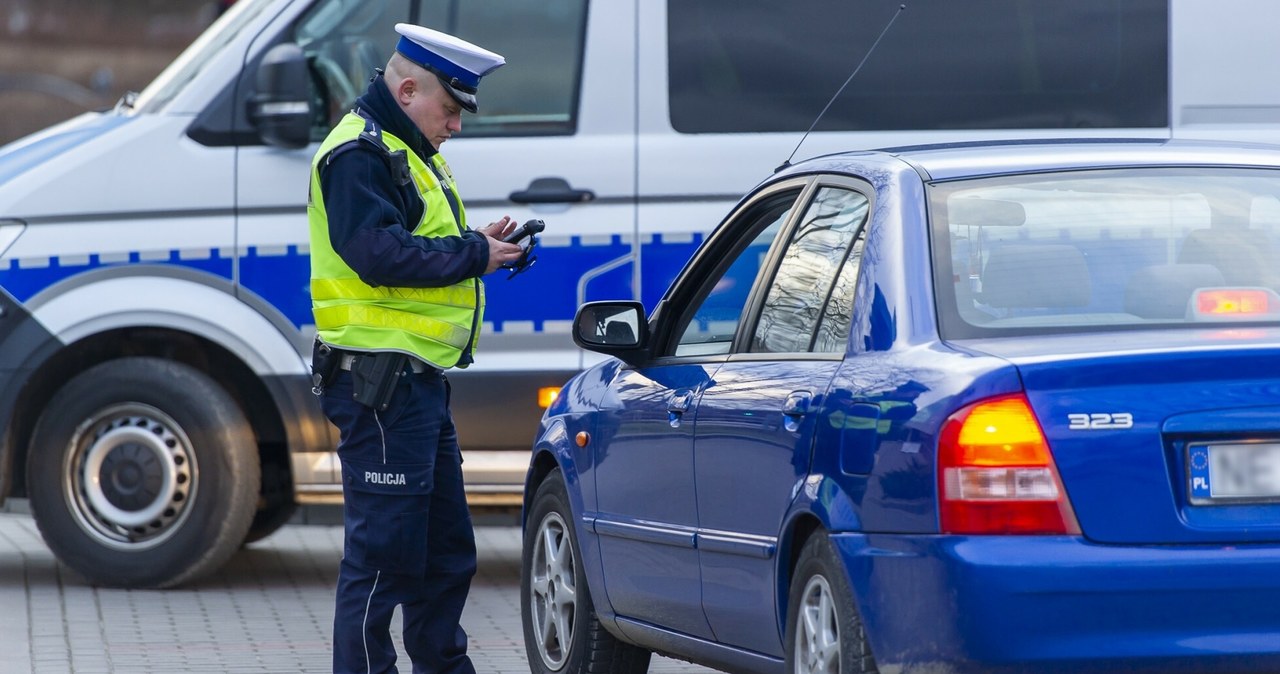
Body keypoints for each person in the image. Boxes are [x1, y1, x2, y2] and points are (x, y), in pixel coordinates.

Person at [306, 22, 524, 674]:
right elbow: (377, 253)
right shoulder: (359, 154)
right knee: (383, 558)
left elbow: (409, 243)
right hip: (380, 388)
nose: (455, 125)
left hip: (415, 386)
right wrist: (474, 253)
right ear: (407, 89)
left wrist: (479, 245)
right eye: (449, 110)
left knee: (444, 550)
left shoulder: (407, 150)